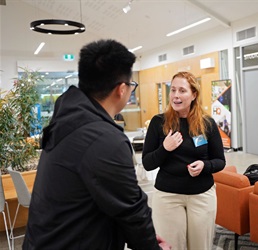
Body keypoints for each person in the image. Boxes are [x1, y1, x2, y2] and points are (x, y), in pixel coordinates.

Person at [23, 39, 170, 250]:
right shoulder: (103, 139)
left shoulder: (68, 119)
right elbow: (132, 210)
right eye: (131, 86)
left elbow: (110, 198)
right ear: (121, 89)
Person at [142, 71, 226, 249]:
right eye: (173, 90)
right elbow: (148, 163)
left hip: (202, 195)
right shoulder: (158, 123)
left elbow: (220, 161)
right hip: (167, 196)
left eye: (182, 90)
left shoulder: (207, 123)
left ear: (194, 94)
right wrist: (165, 148)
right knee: (171, 246)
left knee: (200, 246)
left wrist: (205, 165)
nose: (176, 96)